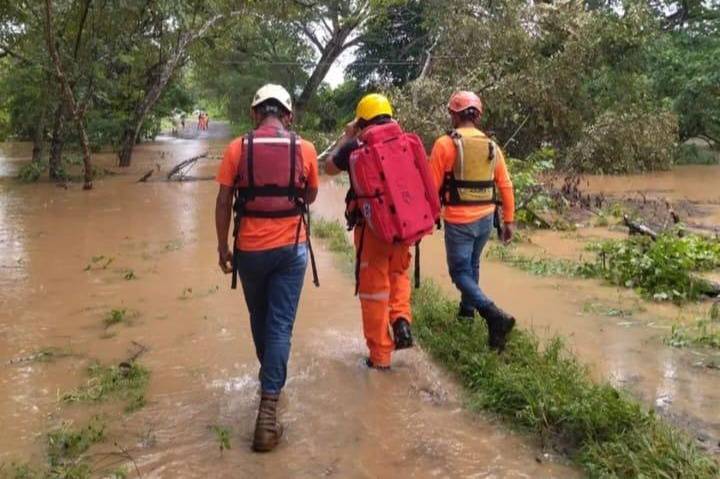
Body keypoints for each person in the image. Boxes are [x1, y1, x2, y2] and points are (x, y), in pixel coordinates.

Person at [215, 84, 319, 452]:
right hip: (292, 250)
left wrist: (222, 246)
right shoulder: (305, 149)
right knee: (279, 327)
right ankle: (269, 405)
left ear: (255, 114)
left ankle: (269, 386)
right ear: (288, 116)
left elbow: (224, 199)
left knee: (260, 320)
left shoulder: (235, 149)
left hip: (250, 251)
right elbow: (310, 196)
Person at [325, 93, 422, 370]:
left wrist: (346, 138)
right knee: (398, 274)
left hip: (372, 231)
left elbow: (329, 168)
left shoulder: (355, 145)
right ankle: (401, 319)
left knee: (374, 292)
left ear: (361, 121)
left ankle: (380, 356)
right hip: (404, 228)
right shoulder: (405, 141)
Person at [428, 91, 516, 352]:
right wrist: (508, 221)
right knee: (473, 264)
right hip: (486, 219)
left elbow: (432, 188)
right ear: (477, 116)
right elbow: (506, 184)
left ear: (454, 114)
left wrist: (431, 215)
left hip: (459, 219)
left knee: (459, 273)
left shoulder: (445, 144)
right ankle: (466, 313)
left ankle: (493, 314)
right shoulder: (492, 146)